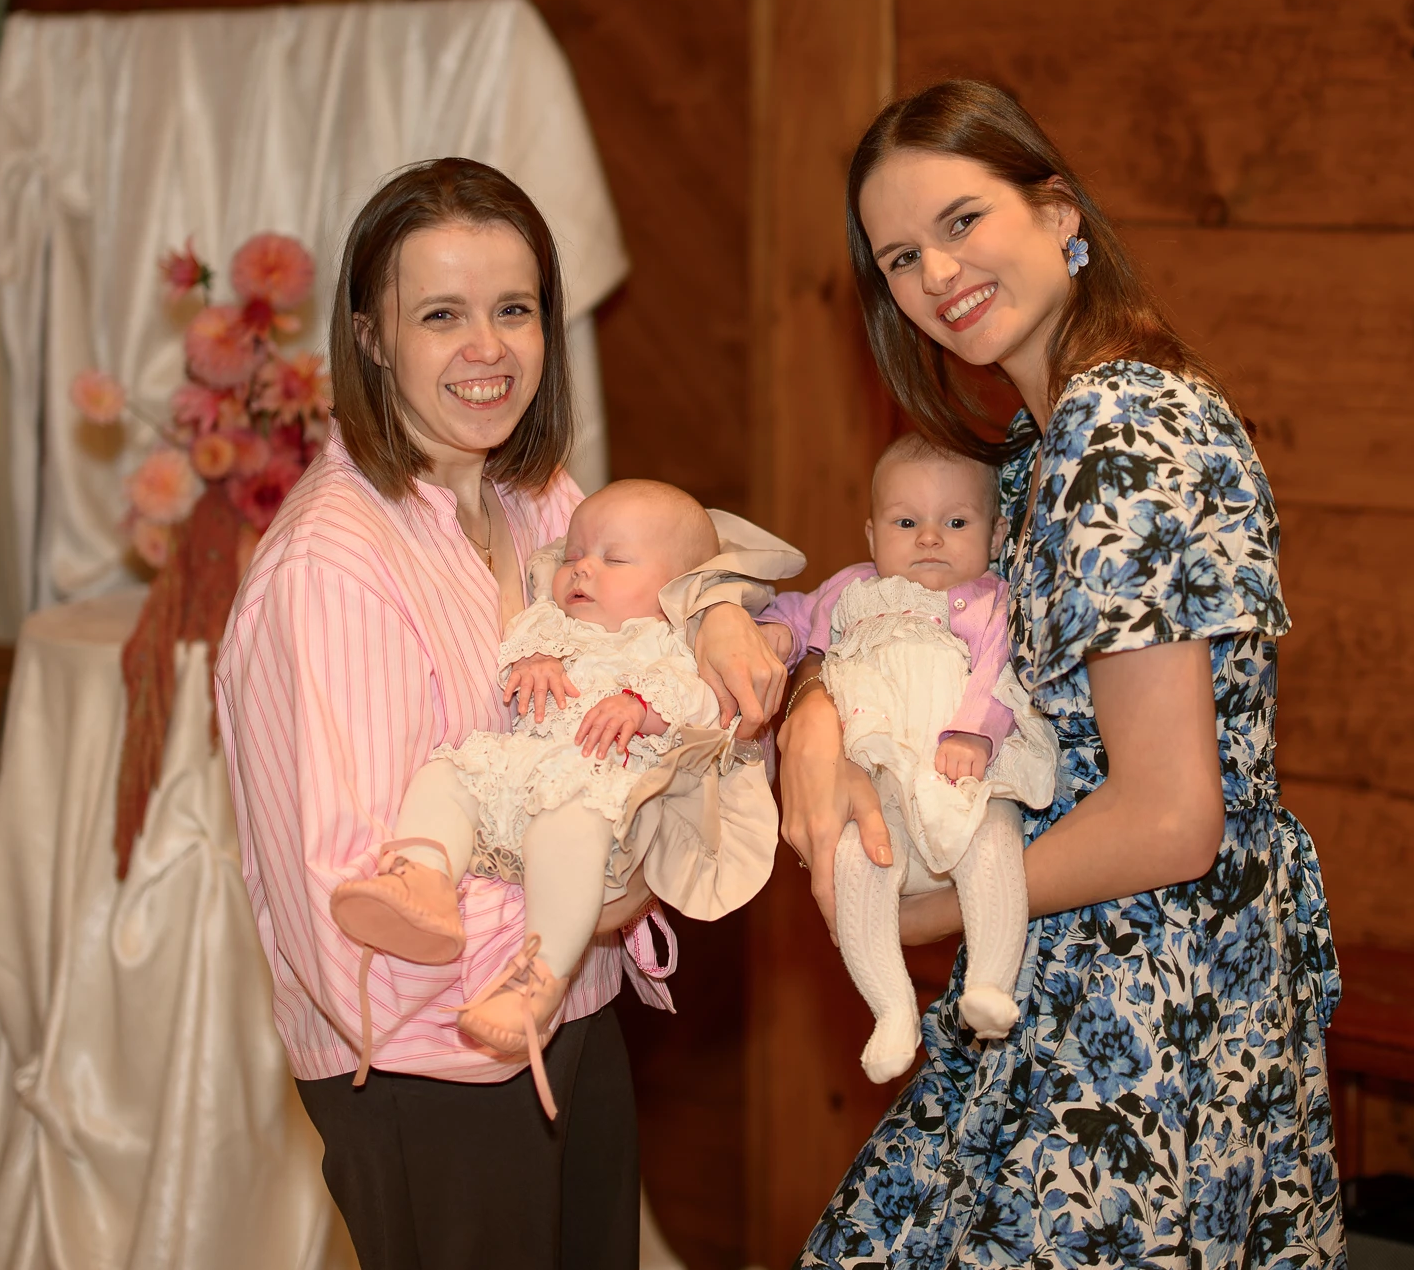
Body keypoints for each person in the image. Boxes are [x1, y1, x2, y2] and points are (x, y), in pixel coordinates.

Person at [782, 81, 1344, 1267]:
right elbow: (908, 627)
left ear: (1056, 211)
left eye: (960, 221)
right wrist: (811, 715)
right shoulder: (1038, 443)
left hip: (1139, 999)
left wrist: (929, 910)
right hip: (1085, 961)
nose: (935, 274)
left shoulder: (1115, 429)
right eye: (898, 257)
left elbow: (1170, 819)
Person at [215, 158, 786, 1270]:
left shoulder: (536, 498)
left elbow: (665, 582)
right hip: (431, 1063)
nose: (489, 349)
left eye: (514, 309)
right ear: (371, 337)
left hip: (573, 1015)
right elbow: (350, 919)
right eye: (442, 315)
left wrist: (715, 609)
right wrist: (614, 890)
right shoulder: (331, 569)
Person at [330, 479, 752, 1113]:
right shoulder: (549, 623)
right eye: (574, 553)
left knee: (569, 826)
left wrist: (641, 708)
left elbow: (700, 705)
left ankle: (537, 978)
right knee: (446, 774)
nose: (581, 567)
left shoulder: (668, 645)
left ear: (675, 590)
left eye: (614, 558)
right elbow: (517, 649)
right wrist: (531, 663)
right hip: (517, 773)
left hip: (594, 786)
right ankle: (421, 881)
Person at [755, 434, 1054, 1083]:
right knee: (856, 856)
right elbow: (797, 614)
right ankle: (891, 1008)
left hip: (959, 774)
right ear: (871, 534)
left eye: (956, 522)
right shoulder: (851, 590)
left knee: (994, 841)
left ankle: (990, 982)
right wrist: (777, 633)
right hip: (880, 778)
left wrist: (974, 734)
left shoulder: (991, 600)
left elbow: (998, 674)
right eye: (905, 522)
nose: (929, 538)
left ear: (997, 534)